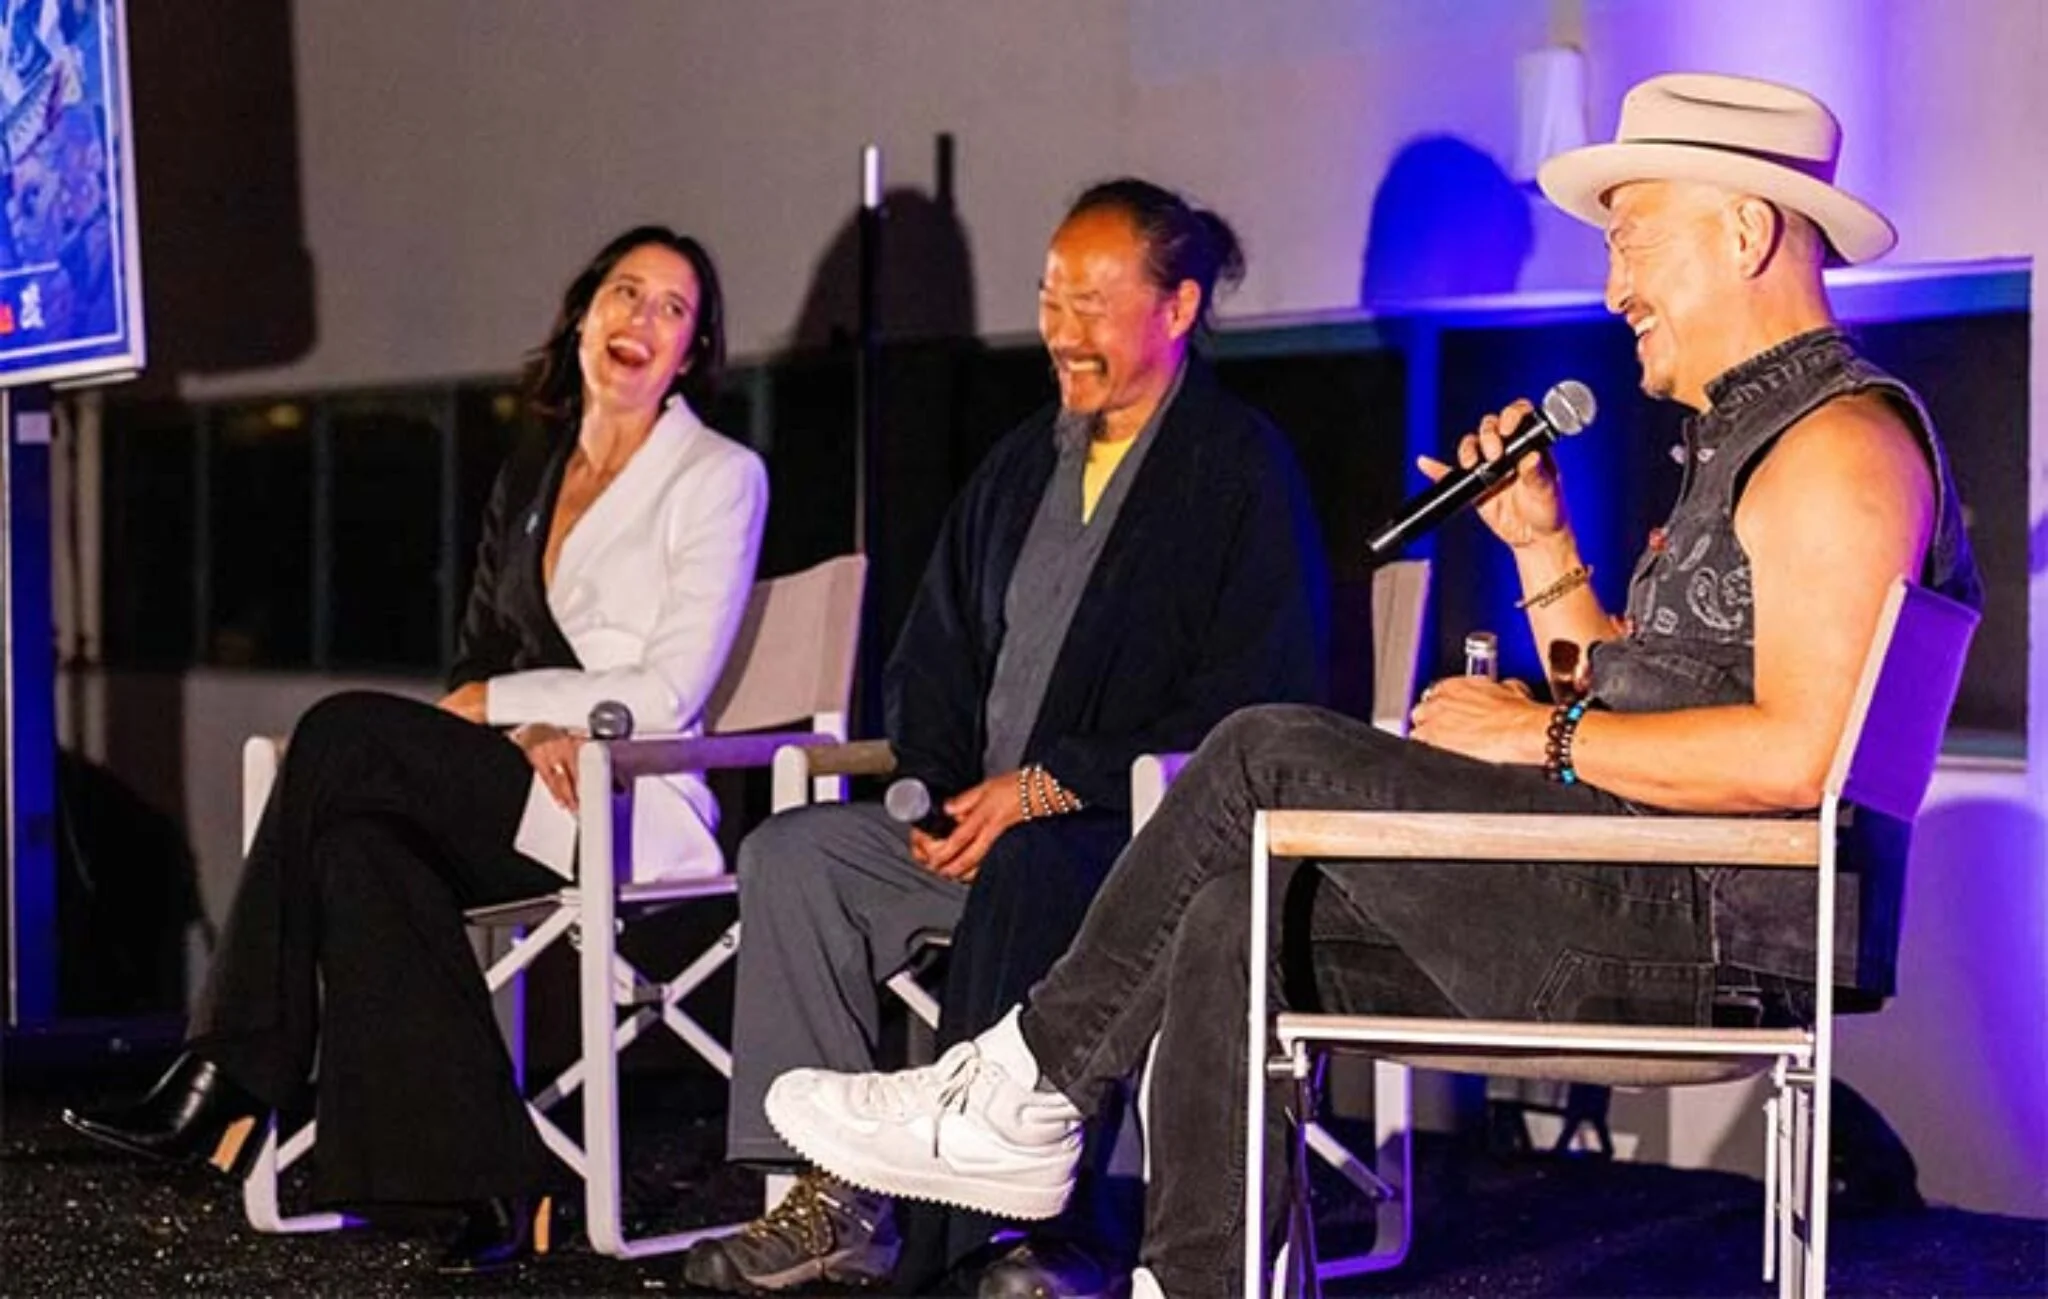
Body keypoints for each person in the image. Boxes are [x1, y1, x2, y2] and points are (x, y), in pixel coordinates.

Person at [756, 73, 1983, 1299]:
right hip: (1638, 884)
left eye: (1631, 241)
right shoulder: (1754, 439)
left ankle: (1023, 1093)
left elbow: (1802, 756)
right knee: (1229, 905)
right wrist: (1540, 547)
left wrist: (1538, 737)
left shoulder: (1834, 449)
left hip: (1701, 930)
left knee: (1261, 751)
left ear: (1745, 230)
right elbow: (1653, 702)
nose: (1615, 287)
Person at [64, 225, 769, 1273]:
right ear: (583, 313)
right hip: (520, 775)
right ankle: (492, 1184)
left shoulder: (717, 474)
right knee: (357, 850)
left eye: (674, 309)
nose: (643, 319)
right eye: (626, 291)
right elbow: (476, 654)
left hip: (626, 791)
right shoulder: (530, 478)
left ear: (690, 352)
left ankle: (233, 1069)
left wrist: (517, 706)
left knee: (339, 731)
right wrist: (513, 718)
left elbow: (669, 687)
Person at [683, 179, 1330, 1296]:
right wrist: (937, 788)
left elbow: (1255, 700)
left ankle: (1028, 1233)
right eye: (1047, 300)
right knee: (795, 856)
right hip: (986, 823)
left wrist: (1049, 787)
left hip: (1135, 847)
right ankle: (835, 1199)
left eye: (1091, 302)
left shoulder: (1237, 467)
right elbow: (931, 654)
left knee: (1035, 858)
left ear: (1176, 309)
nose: (1061, 331)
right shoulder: (1023, 463)